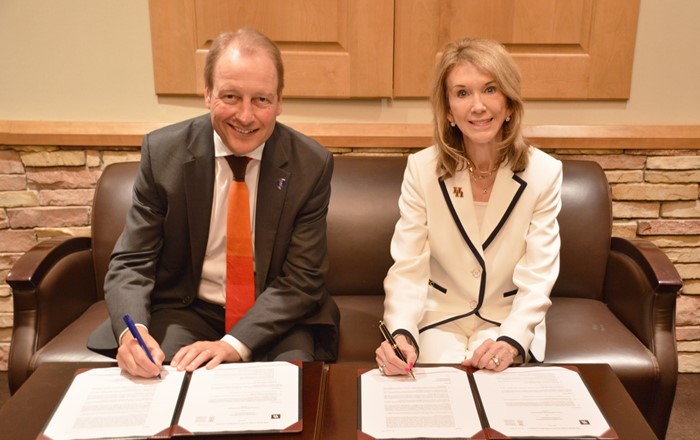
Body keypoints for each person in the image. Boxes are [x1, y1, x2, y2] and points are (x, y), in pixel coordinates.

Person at [88, 28, 339, 378]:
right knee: (164, 383)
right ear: (207, 94)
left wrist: (232, 345)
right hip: (187, 310)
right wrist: (134, 333)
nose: (246, 116)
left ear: (280, 101)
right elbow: (133, 260)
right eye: (231, 97)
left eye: (262, 100)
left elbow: (302, 280)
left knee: (294, 390)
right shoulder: (164, 154)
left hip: (276, 313)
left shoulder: (311, 165)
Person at [375, 38, 562, 376]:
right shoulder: (421, 169)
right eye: (462, 93)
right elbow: (408, 266)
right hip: (439, 319)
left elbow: (539, 275)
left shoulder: (544, 173)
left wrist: (512, 340)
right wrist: (401, 332)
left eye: (490, 90)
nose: (478, 106)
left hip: (504, 322)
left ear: (509, 103)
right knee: (425, 396)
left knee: (498, 398)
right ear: (448, 110)